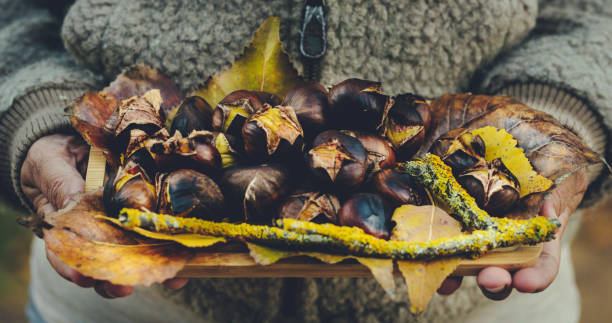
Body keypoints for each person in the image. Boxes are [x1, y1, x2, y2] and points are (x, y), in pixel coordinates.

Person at [1, 0, 610, 322]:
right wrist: (36, 112)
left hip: (475, 315)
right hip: (141, 309)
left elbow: (592, 16)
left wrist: (556, 115)